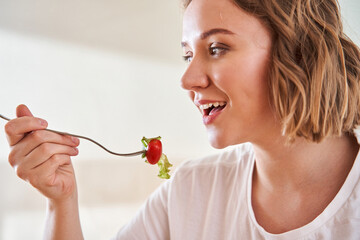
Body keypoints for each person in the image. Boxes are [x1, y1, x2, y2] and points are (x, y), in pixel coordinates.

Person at [4, 0, 360, 239]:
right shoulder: (193, 191)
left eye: (216, 49)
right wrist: (60, 200)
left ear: (297, 51)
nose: (187, 80)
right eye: (188, 54)